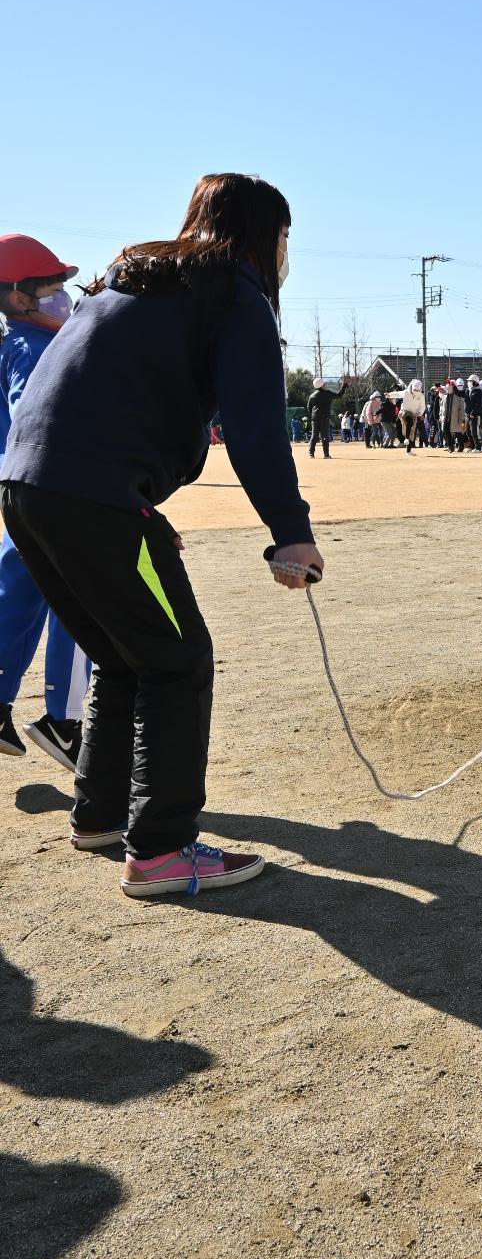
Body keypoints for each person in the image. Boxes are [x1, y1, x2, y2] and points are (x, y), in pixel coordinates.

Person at [0, 173, 322, 894]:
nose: (285, 252)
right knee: (179, 661)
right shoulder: (233, 290)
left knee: (123, 656)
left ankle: (101, 816)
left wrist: (142, 504)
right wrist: (290, 533)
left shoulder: (133, 279)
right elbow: (254, 424)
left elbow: (84, 397)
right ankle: (162, 850)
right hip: (92, 495)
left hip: (29, 490)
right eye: (284, 236)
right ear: (264, 236)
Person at [0, 235, 89, 772]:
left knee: (18, 596)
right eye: (53, 287)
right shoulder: (35, 349)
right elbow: (39, 418)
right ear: (18, 297)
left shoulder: (17, 344)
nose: (64, 297)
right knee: (79, 600)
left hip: (19, 493)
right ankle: (65, 721)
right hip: (55, 491)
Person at [306, 378, 335, 458]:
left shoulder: (312, 395)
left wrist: (311, 416)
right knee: (324, 435)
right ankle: (326, 454)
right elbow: (338, 395)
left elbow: (309, 408)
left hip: (314, 418)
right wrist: (344, 387)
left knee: (314, 435)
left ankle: (311, 454)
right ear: (322, 385)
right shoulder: (327, 393)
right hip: (324, 417)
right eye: (324, 384)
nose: (325, 384)